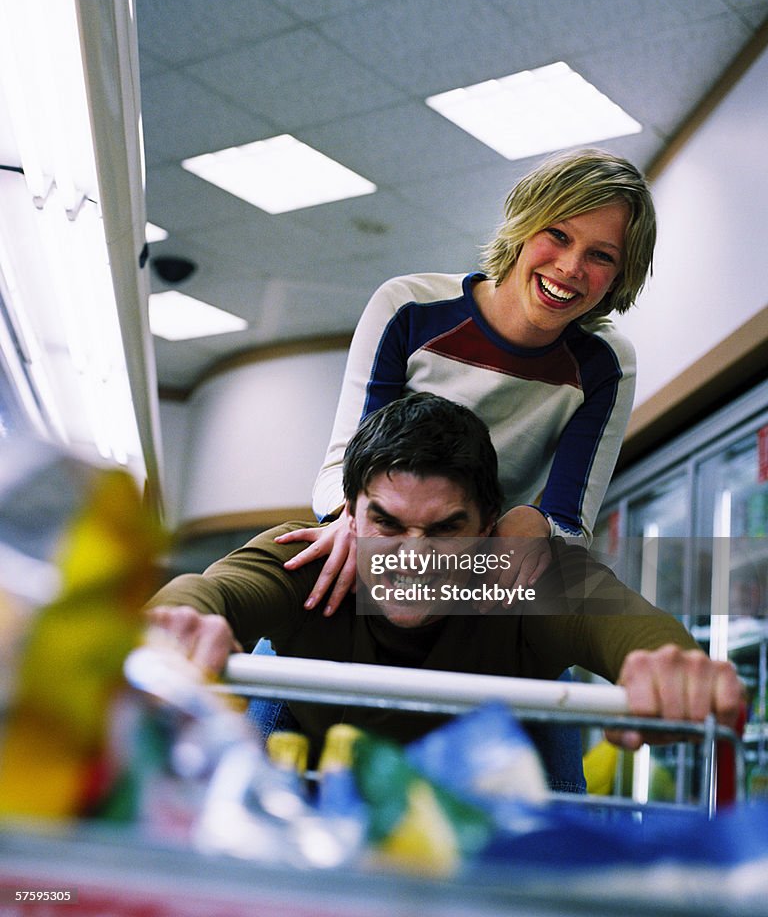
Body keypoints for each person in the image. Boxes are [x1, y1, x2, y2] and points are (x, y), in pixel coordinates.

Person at [146, 394, 742, 769]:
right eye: (386, 522)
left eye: (445, 528)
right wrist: (179, 621)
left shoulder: (525, 577)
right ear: (349, 515)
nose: (413, 556)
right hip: (317, 748)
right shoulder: (313, 560)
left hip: (494, 763)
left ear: (489, 526)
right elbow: (210, 592)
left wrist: (671, 669)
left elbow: (639, 632)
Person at [277, 148, 657, 617]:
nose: (570, 267)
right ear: (522, 225)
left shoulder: (607, 363)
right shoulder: (407, 308)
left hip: (479, 575)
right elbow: (339, 472)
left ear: (620, 276)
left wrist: (537, 525)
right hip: (374, 553)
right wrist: (352, 518)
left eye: (600, 256)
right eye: (557, 235)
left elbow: (571, 527)